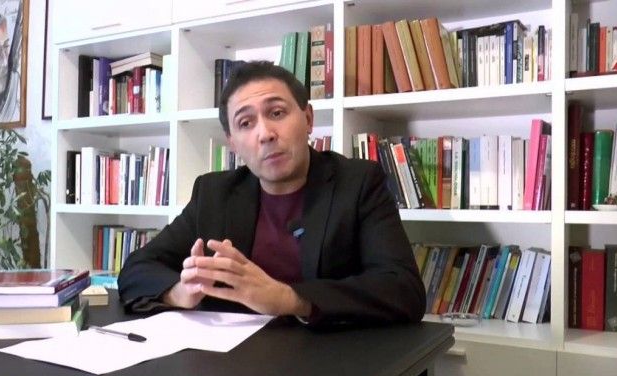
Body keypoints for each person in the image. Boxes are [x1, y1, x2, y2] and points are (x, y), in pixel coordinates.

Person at [118, 61, 425, 326]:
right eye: (245, 123)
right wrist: (180, 293)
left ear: (308, 119)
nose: (265, 134)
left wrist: (289, 299)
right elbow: (137, 268)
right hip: (232, 361)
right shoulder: (214, 193)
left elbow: (404, 290)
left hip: (330, 358)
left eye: (277, 113)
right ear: (233, 143)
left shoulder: (358, 183)